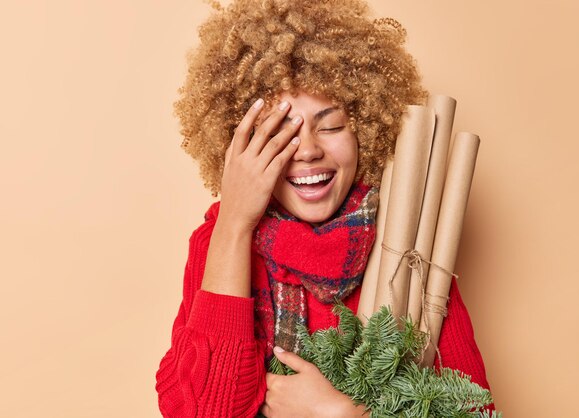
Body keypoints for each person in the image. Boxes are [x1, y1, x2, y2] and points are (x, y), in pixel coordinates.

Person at [155, 1, 492, 417]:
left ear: (366, 129)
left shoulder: (411, 247)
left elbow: (479, 411)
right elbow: (199, 411)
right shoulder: (219, 244)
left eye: (330, 126)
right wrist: (235, 223)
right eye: (281, 133)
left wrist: (346, 415)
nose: (310, 150)